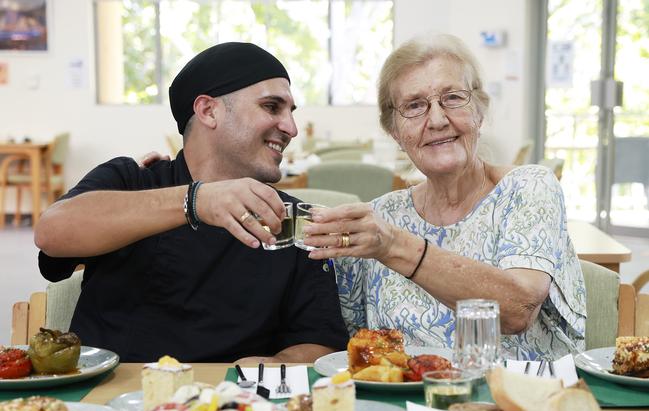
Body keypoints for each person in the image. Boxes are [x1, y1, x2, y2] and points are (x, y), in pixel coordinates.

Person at [34, 42, 348, 363]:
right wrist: (195, 201)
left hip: (230, 406)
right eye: (271, 107)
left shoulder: (290, 218)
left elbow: (318, 341)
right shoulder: (132, 181)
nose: (291, 128)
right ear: (208, 111)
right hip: (110, 401)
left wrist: (277, 365)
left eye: (291, 112)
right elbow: (51, 232)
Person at [302, 34, 586, 360]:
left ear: (479, 112)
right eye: (414, 106)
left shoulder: (528, 188)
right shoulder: (382, 216)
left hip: (519, 403)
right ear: (394, 132)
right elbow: (348, 345)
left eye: (452, 98)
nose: (437, 120)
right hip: (404, 406)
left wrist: (395, 246)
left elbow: (517, 309)